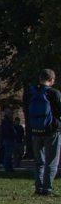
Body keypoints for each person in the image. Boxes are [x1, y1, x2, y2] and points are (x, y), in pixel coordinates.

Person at [25, 68, 61, 196]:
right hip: (52, 131)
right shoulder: (54, 93)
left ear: (40, 78)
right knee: (51, 161)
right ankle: (47, 188)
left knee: (39, 161)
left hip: (35, 130)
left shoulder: (30, 92)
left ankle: (38, 187)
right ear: (52, 79)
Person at [0, 108, 22, 174]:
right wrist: (12, 135)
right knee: (8, 154)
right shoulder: (6, 121)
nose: (11, 114)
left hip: (9, 138)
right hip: (9, 138)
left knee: (9, 154)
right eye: (10, 113)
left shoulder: (8, 121)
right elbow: (7, 131)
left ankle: (9, 167)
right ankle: (8, 168)